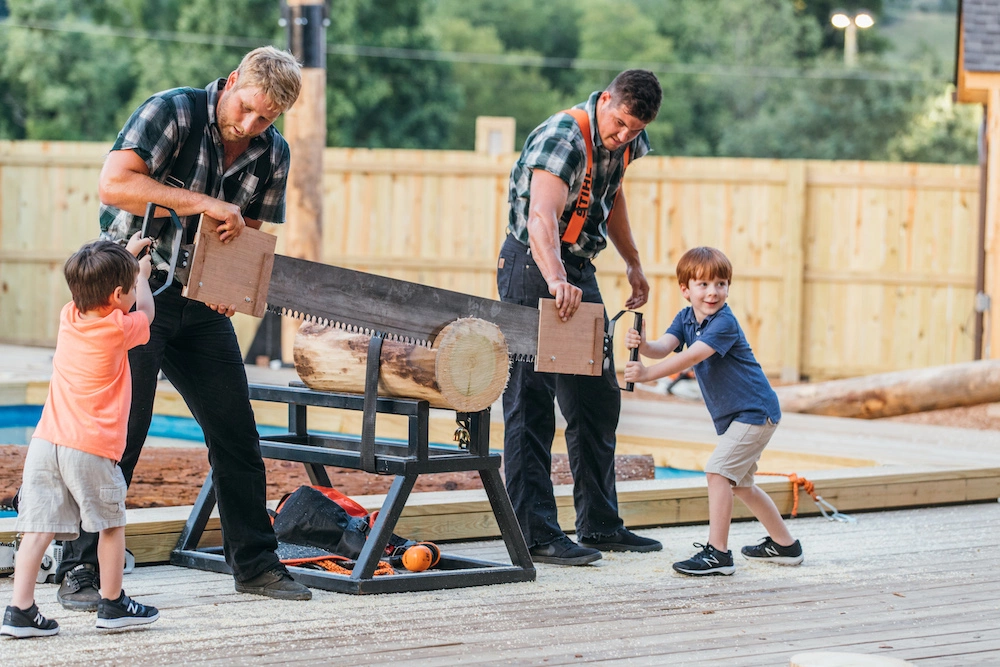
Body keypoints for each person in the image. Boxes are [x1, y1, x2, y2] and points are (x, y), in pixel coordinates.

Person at [55, 46, 312, 609]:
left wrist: (231, 281)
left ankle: (256, 565)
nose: (250, 124)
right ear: (235, 78)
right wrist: (201, 203)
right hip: (133, 290)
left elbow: (253, 229)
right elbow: (114, 184)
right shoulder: (172, 111)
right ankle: (80, 570)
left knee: (237, 434)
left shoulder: (275, 152)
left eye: (266, 118)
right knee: (118, 433)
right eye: (246, 107)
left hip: (200, 304)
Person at [496, 69, 664, 566]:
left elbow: (609, 201)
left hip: (576, 267)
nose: (625, 136)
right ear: (605, 98)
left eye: (635, 130)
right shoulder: (563, 137)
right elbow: (541, 218)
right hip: (533, 265)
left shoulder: (626, 139)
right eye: (620, 124)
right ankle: (535, 534)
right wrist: (553, 279)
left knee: (595, 399)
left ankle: (600, 524)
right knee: (530, 402)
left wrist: (633, 261)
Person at [2, 237, 159, 638]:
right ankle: (113, 603)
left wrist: (124, 257)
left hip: (46, 442)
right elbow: (148, 312)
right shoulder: (119, 329)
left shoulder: (68, 316)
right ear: (118, 294)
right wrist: (141, 275)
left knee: (38, 527)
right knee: (110, 523)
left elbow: (98, 287)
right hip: (88, 447)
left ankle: (20, 611)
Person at [623, 247, 803, 576]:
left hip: (755, 411)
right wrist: (644, 346)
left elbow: (692, 357)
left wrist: (647, 374)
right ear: (685, 289)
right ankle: (785, 545)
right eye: (703, 284)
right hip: (742, 416)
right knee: (742, 485)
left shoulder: (724, 323)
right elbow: (664, 347)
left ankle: (718, 554)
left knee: (718, 473)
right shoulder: (686, 318)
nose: (713, 292)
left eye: (721, 283)